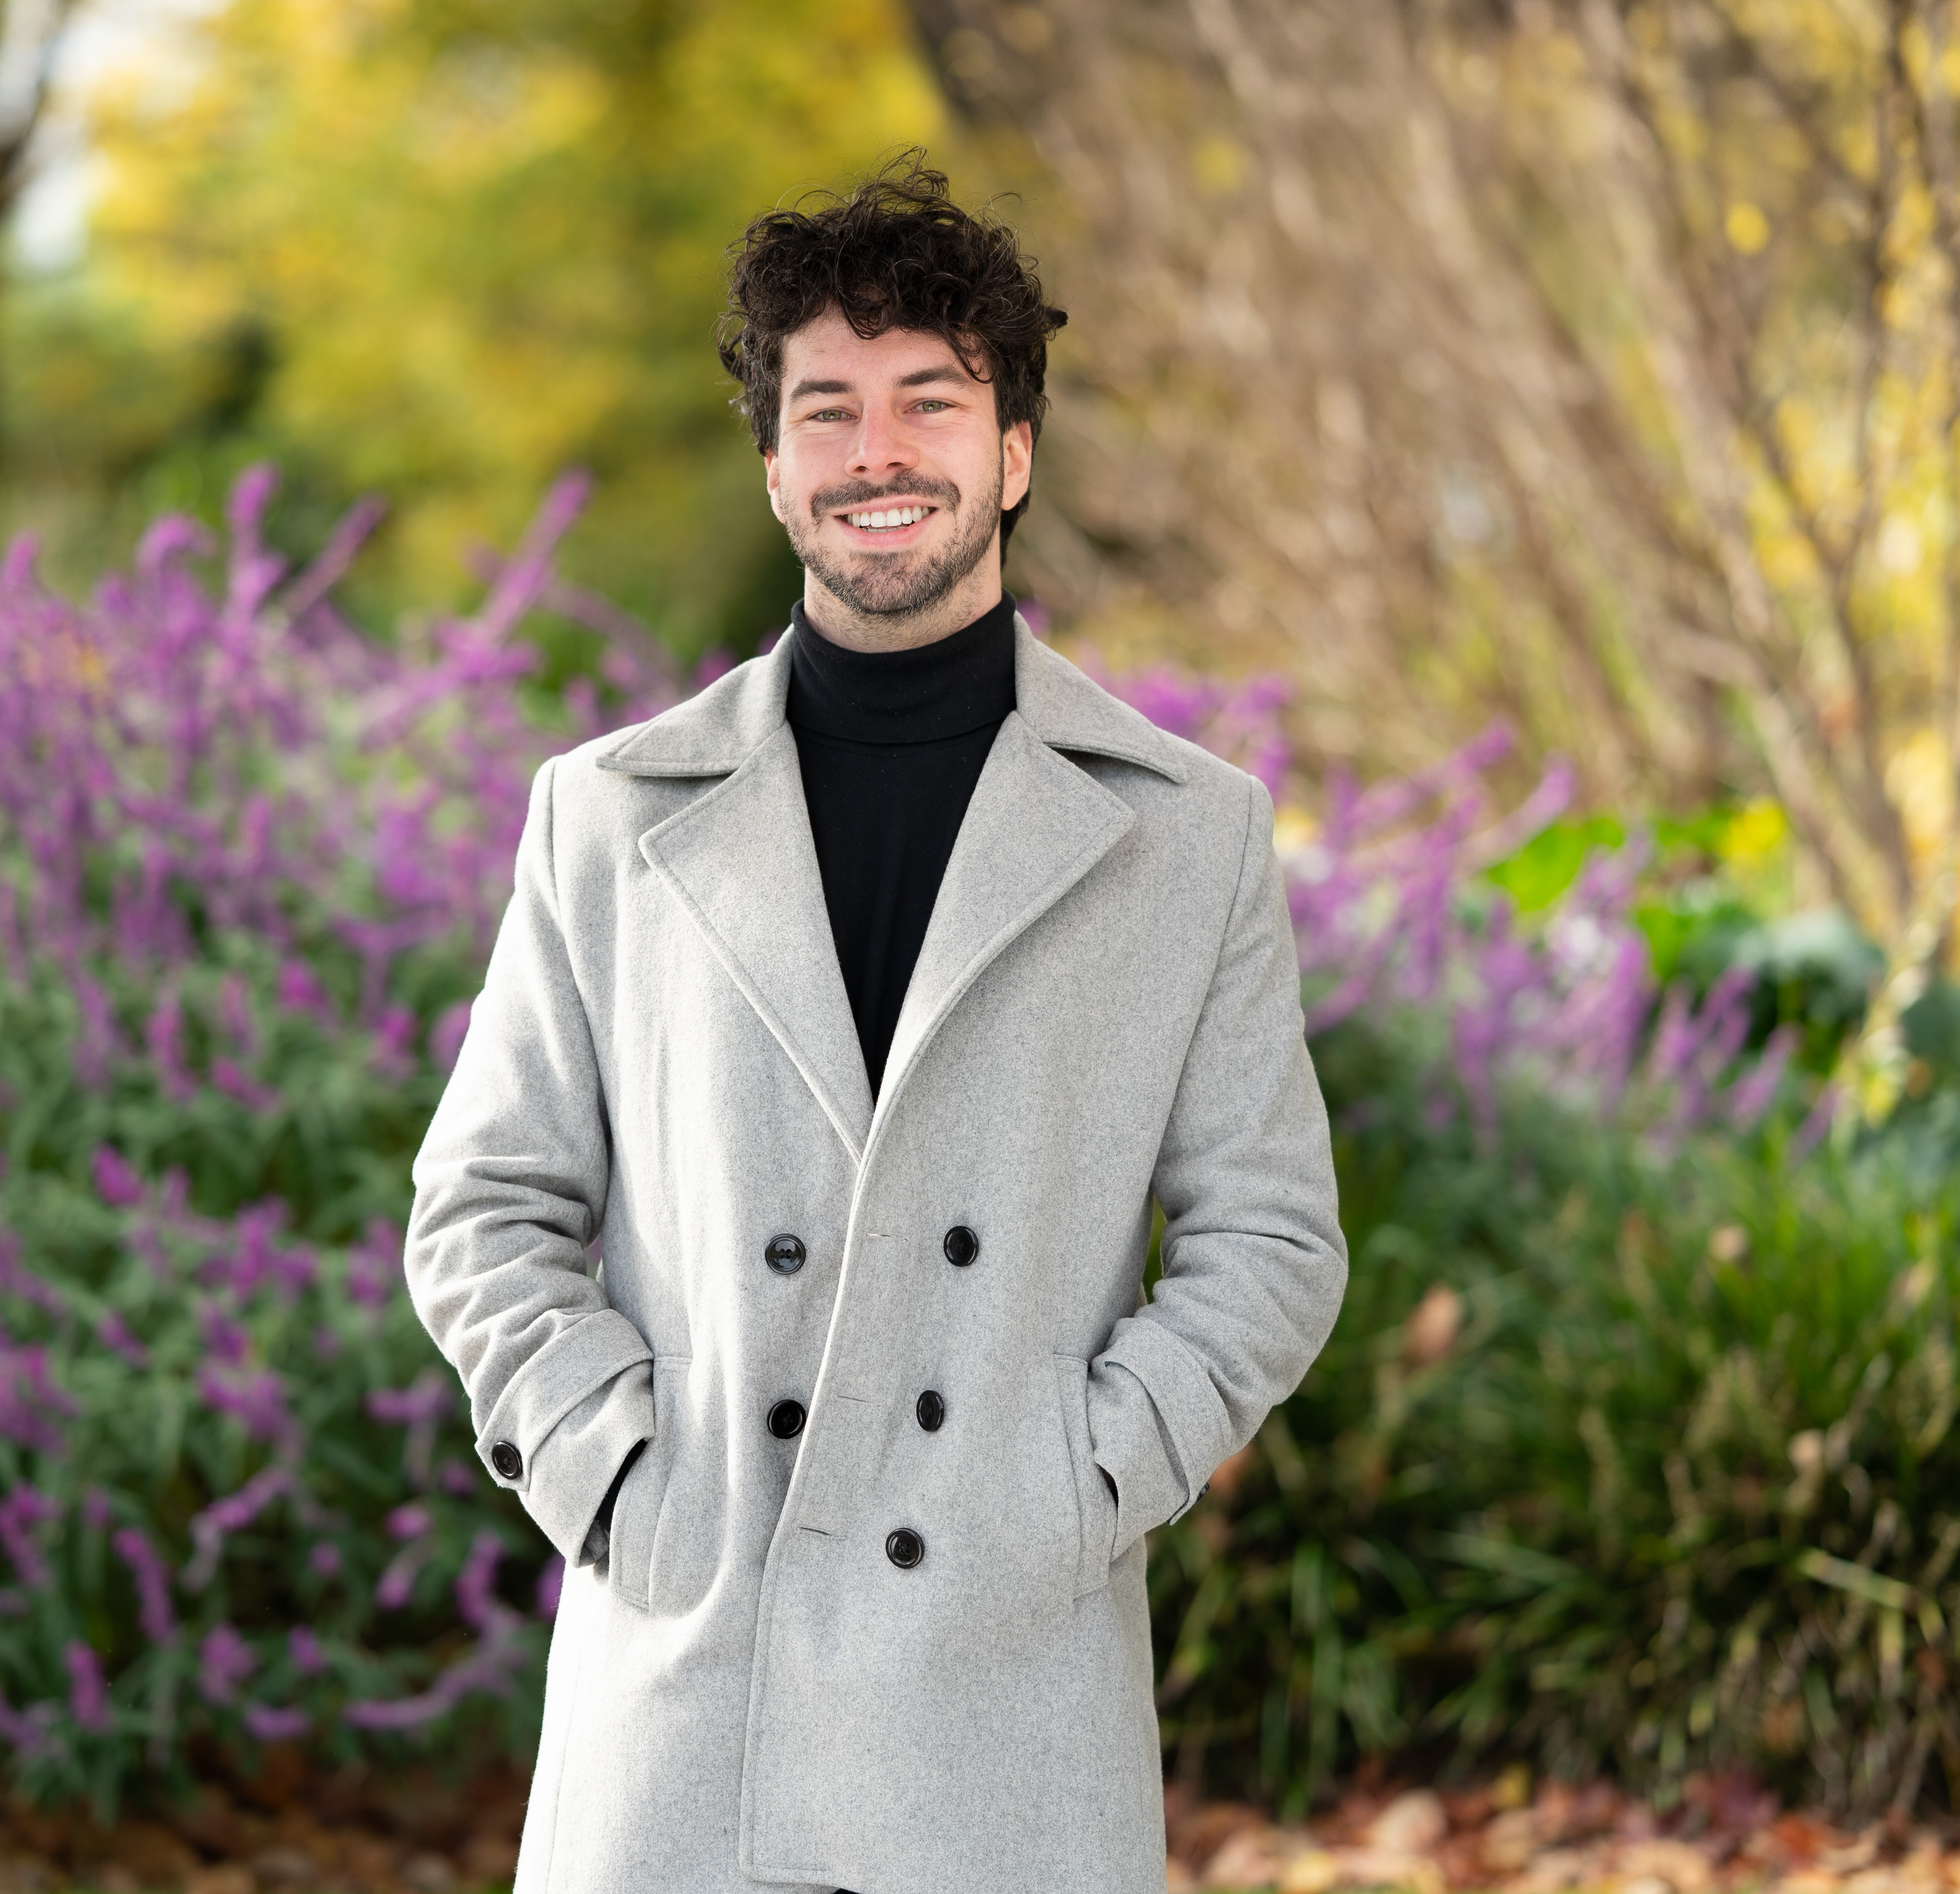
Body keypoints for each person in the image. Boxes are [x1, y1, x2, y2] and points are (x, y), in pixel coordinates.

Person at [402, 155, 1349, 1894]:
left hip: (1005, 1691)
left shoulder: (1184, 830)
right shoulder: (607, 816)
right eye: (825, 410)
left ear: (1015, 452)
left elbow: (1272, 1234)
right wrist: (618, 1474)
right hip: (692, 1681)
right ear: (776, 470)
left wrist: (1089, 1474)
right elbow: (482, 1209)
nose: (876, 452)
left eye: (930, 398)